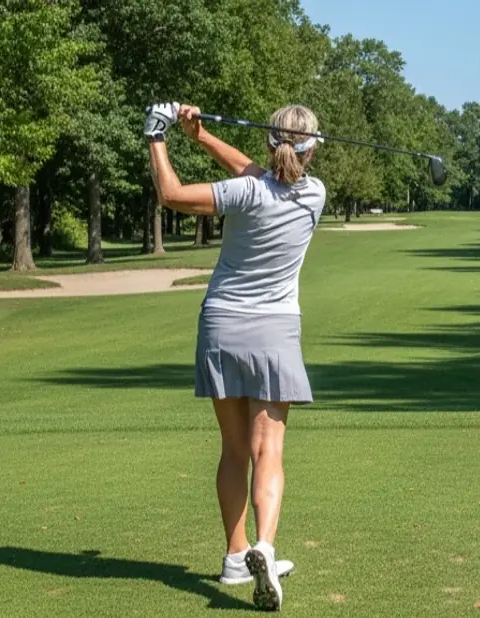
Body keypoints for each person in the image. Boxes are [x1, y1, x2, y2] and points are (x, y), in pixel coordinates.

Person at [144, 101, 326, 611]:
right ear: (312, 150)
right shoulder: (315, 194)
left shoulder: (245, 193)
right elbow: (260, 171)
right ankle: (264, 547)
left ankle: (234, 554)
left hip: (222, 325)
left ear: (271, 143)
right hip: (275, 332)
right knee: (268, 449)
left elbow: (172, 194)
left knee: (233, 448)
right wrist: (199, 136)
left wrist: (158, 134)